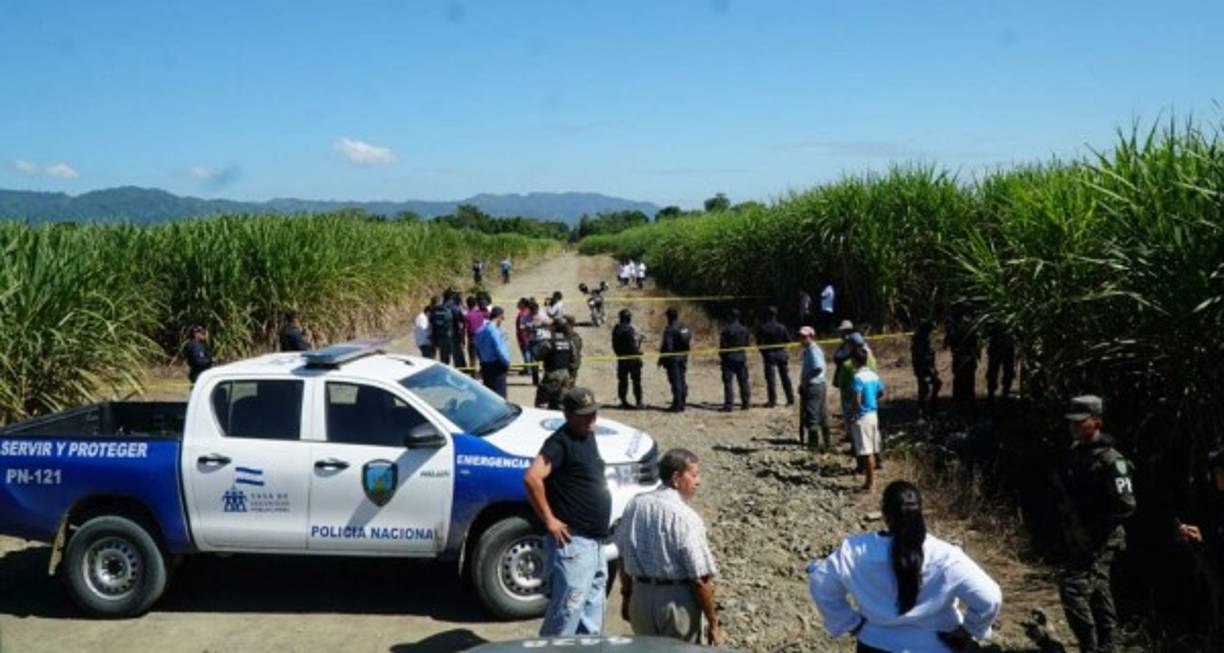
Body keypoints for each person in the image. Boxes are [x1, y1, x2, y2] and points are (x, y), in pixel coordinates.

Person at [809, 481, 1003, 652]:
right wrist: (970, 629)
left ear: (884, 513)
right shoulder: (946, 556)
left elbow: (821, 583)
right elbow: (990, 597)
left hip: (874, 644)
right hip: (935, 644)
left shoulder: (853, 550)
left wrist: (849, 623)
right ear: (919, 512)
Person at [524, 387, 612, 637]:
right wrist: (549, 519)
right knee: (566, 613)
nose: (591, 419)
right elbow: (532, 477)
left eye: (593, 413)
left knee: (592, 613)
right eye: (584, 415)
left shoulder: (587, 435)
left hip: (595, 543)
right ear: (567, 415)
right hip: (575, 543)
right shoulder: (560, 442)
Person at [614, 448, 722, 645]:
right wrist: (713, 621)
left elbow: (623, 554)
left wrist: (627, 596)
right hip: (676, 604)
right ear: (676, 478)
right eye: (694, 475)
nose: (699, 481)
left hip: (641, 598)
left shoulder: (635, 505)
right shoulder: (686, 517)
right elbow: (699, 578)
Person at [1055, 395, 1136, 653]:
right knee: (1099, 589)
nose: (1074, 427)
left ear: (1097, 422)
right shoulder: (1076, 453)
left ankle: (1090, 647)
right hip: (1081, 533)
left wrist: (1091, 530)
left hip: (1103, 537)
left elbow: (1126, 505)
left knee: (1072, 588)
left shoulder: (1112, 461)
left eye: (1081, 422)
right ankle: (1108, 645)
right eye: (1072, 422)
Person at [850, 347, 885, 491]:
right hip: (873, 414)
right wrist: (872, 399)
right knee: (872, 448)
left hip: (862, 416)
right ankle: (870, 481)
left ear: (854, 361)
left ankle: (870, 484)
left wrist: (853, 413)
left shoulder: (857, 377)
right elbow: (881, 392)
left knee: (866, 451)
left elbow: (857, 399)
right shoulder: (873, 375)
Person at [755, 306, 796, 408]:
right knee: (785, 378)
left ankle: (772, 401)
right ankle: (790, 399)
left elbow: (759, 343)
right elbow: (788, 340)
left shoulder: (763, 327)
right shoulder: (782, 327)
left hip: (769, 354)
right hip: (781, 353)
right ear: (776, 315)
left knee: (770, 379)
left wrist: (764, 353)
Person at [799, 326, 831, 450]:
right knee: (821, 415)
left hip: (814, 386)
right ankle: (826, 444)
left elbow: (818, 368)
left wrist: (805, 382)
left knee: (812, 415)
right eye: (800, 336)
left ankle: (814, 446)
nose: (801, 339)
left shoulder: (813, 350)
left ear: (811, 336)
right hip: (817, 385)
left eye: (804, 336)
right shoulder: (809, 350)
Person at [535, 320, 578, 409]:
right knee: (560, 403)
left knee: (542, 402)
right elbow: (574, 359)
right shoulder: (569, 342)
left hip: (552, 375)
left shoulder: (549, 343)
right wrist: (572, 375)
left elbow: (538, 357)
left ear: (554, 328)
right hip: (566, 375)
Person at [945, 308, 978, 415]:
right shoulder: (967, 326)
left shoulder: (955, 327)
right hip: (964, 357)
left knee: (962, 382)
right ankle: (965, 404)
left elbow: (948, 343)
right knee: (965, 381)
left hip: (963, 358)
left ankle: (962, 404)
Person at [658, 307, 691, 412]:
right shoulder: (683, 326)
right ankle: (682, 403)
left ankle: (677, 405)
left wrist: (662, 358)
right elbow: (688, 339)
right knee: (682, 379)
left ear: (669, 316)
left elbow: (667, 346)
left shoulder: (670, 328)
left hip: (673, 359)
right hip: (683, 357)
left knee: (675, 381)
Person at [612, 309, 645, 409]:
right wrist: (639, 353)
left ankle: (623, 401)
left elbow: (614, 344)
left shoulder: (616, 329)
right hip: (633, 359)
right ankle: (639, 402)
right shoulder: (630, 330)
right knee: (636, 381)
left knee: (622, 381)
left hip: (621, 358)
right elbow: (633, 346)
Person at [718, 309, 751, 412]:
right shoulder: (744, 330)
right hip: (741, 358)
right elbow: (747, 344)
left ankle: (729, 405)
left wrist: (722, 356)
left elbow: (723, 346)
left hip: (729, 358)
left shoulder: (726, 330)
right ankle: (746, 403)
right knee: (743, 381)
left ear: (730, 317)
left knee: (728, 382)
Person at [475, 306, 512, 397]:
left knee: (489, 396)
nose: (501, 321)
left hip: (485, 365)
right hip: (496, 367)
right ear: (499, 317)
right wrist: (506, 362)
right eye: (502, 318)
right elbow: (499, 349)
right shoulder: (494, 331)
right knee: (500, 396)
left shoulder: (480, 330)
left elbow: (477, 348)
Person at [911, 319, 941, 417]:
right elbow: (923, 358)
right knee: (926, 388)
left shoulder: (922, 339)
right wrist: (931, 370)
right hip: (923, 369)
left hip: (924, 369)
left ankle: (929, 408)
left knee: (930, 386)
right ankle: (926, 410)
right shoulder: (921, 340)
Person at [986, 325, 1016, 401]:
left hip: (1004, 345)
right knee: (994, 370)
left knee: (1007, 371)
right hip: (998, 345)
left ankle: (1003, 393)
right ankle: (992, 393)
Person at [464, 296, 488, 377]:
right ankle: (484, 372)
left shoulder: (467, 315)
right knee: (482, 357)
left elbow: (465, 328)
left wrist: (462, 339)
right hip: (481, 339)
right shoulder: (481, 314)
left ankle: (473, 375)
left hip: (472, 339)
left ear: (467, 304)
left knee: (472, 359)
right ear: (475, 304)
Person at [446, 291, 469, 371]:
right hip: (456, 333)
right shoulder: (455, 308)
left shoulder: (446, 306)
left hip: (448, 333)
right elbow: (464, 318)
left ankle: (460, 368)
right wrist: (464, 306)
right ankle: (462, 369)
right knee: (458, 352)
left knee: (455, 353)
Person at [432, 293, 458, 365]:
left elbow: (434, 325)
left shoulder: (435, 311)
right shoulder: (448, 310)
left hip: (440, 337)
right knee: (454, 356)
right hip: (448, 336)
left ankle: (445, 368)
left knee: (443, 358)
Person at [515, 298, 534, 376]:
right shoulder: (528, 312)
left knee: (526, 352)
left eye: (519, 303)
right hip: (528, 336)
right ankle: (529, 368)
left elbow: (522, 327)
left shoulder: (523, 314)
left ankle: (528, 370)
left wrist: (524, 338)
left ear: (523, 304)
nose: (518, 304)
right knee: (528, 352)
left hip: (525, 336)